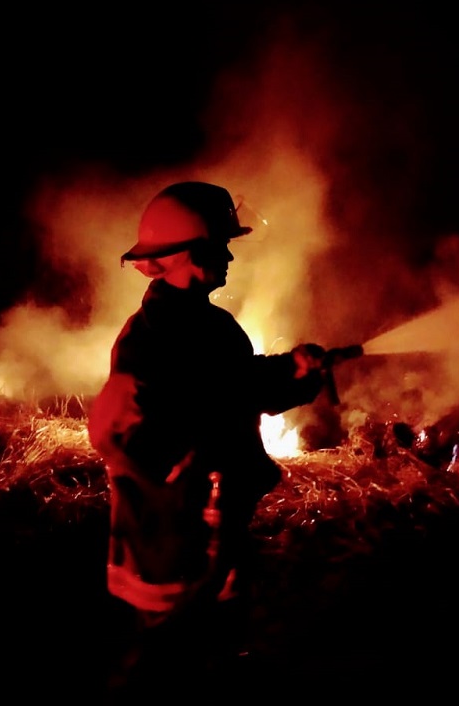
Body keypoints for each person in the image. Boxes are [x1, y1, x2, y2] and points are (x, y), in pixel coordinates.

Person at [88, 181, 331, 698]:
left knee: (215, 642)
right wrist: (187, 469)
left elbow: (239, 385)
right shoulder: (147, 342)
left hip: (214, 527)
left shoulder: (209, 326)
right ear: (180, 256)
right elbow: (118, 430)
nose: (228, 257)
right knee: (164, 659)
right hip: (170, 539)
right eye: (217, 246)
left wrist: (295, 370)